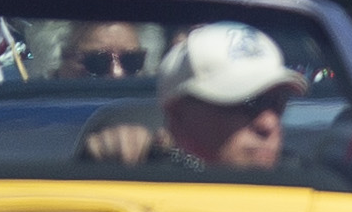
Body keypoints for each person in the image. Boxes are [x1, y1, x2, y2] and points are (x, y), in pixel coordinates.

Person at [81, 23, 297, 171]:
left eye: (278, 102)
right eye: (247, 101)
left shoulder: (312, 186)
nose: (269, 123)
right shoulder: (144, 181)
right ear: (178, 115)